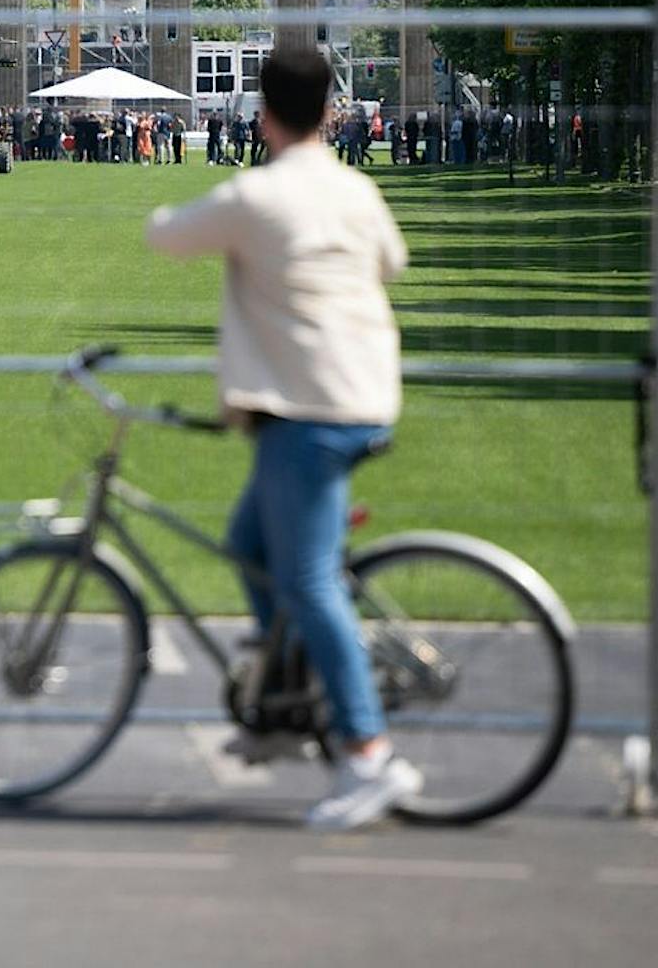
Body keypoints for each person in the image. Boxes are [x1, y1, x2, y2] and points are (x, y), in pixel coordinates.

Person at [145, 45, 421, 831]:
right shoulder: (354, 188)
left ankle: (367, 752)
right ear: (332, 111)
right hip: (364, 392)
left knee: (304, 579)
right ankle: (281, 701)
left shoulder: (257, 196)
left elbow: (165, 236)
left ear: (262, 114)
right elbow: (394, 260)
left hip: (310, 407)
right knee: (249, 543)